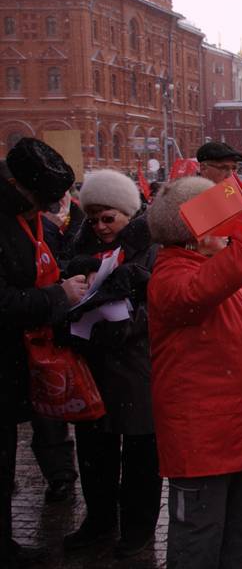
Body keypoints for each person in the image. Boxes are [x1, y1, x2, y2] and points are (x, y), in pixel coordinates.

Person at [147, 177, 242, 568]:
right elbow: (198, 292)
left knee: (240, 540)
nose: (229, 232)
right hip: (203, 440)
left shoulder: (224, 270)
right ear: (194, 236)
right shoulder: (171, 276)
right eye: (220, 226)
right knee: (197, 543)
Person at [61, 169, 162, 557]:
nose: (101, 227)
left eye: (109, 219)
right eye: (94, 218)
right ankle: (99, 520)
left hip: (137, 366)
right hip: (94, 365)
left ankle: (138, 528)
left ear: (127, 214)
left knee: (140, 452)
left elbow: (160, 304)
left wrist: (125, 327)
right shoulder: (80, 247)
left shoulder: (150, 248)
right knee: (94, 450)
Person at [1, 138, 87, 568]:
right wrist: (58, 295)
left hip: (16, 359)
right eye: (39, 201)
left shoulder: (20, 216)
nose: (43, 210)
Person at [29, 190, 82, 504]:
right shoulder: (26, 228)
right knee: (45, 412)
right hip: (37, 327)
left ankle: (61, 474)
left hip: (56, 328)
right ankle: (59, 474)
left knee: (50, 411)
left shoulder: (77, 220)